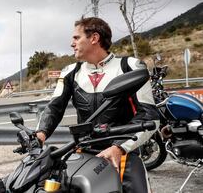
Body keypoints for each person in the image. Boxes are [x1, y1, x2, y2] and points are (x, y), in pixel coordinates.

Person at [36, 17, 160, 193]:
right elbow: (54, 107)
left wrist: (119, 147)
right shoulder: (70, 72)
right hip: (83, 153)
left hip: (123, 152)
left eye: (76, 38)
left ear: (94, 38)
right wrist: (40, 134)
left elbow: (150, 116)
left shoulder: (130, 66)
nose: (72, 44)